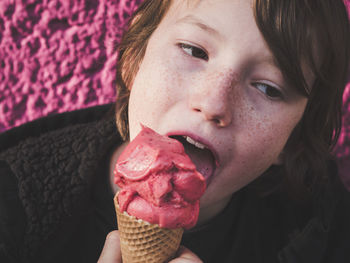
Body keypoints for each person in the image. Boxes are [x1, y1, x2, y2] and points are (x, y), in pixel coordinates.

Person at [1, 0, 350, 262]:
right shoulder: (12, 202)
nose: (214, 103)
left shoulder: (322, 235)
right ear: (135, 59)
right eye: (194, 50)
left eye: (268, 88)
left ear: (293, 142)